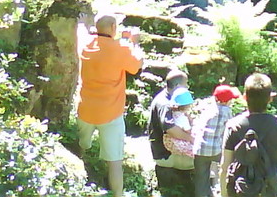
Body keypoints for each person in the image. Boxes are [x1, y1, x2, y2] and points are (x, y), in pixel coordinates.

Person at [76, 12, 144, 197]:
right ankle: (118, 194)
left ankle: (79, 176)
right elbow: (137, 64)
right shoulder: (120, 48)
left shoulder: (85, 44)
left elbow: (81, 31)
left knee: (81, 146)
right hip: (111, 113)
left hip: (86, 109)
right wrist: (134, 41)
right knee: (114, 161)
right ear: (114, 28)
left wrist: (83, 22)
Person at [221, 73, 277, 197]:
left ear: (244, 97)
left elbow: (225, 166)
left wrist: (224, 194)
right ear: (270, 99)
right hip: (274, 186)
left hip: (242, 188)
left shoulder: (233, 125)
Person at [148, 69, 195, 197]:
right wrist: (191, 138)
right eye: (186, 84)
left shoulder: (166, 97)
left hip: (164, 151)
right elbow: (171, 129)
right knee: (205, 158)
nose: (188, 86)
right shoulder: (165, 103)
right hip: (165, 155)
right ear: (178, 86)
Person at [191, 84, 240, 197]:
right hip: (217, 150)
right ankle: (224, 191)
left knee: (201, 179)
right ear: (226, 101)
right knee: (226, 168)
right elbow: (229, 130)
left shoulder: (207, 109)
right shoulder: (226, 111)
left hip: (200, 149)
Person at [162, 87, 195, 158]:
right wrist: (191, 122)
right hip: (178, 142)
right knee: (196, 148)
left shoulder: (172, 113)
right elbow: (188, 130)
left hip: (169, 140)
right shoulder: (182, 117)